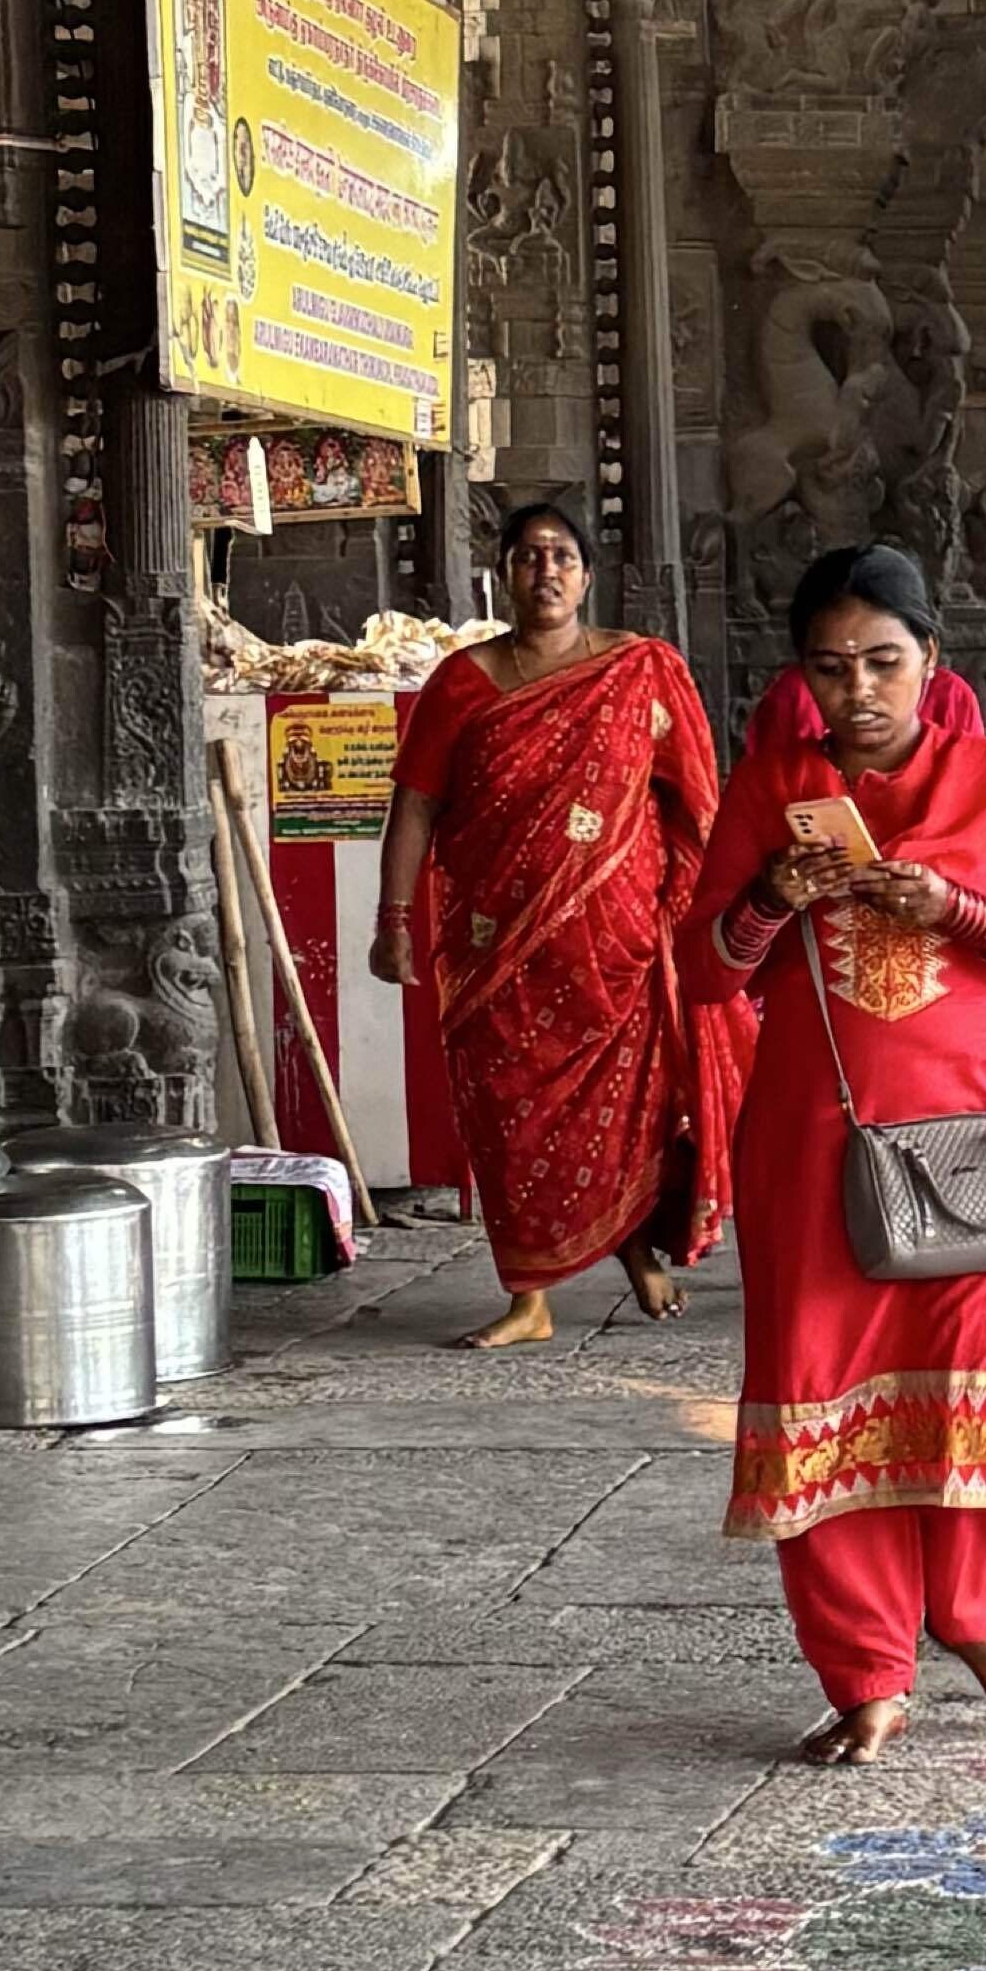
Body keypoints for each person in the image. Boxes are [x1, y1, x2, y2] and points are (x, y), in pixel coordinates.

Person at [685, 546, 986, 1764]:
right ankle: (867, 1674)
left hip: (971, 1146)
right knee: (825, 1389)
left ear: (929, 661)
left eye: (882, 662)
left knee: (974, 1380)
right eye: (830, 667)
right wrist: (772, 895)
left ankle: (969, 1618)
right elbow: (704, 969)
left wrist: (956, 909)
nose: (857, 689)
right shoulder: (771, 787)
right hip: (814, 1146)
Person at [370, 503, 744, 1345]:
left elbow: (695, 801)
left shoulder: (640, 669)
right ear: (504, 573)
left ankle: (635, 1246)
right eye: (529, 556)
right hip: (493, 948)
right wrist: (393, 920)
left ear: (587, 575)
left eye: (563, 556)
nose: (546, 571)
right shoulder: (461, 683)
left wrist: (702, 912)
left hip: (616, 945)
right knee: (508, 1116)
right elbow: (416, 806)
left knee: (627, 1110)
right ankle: (528, 1298)